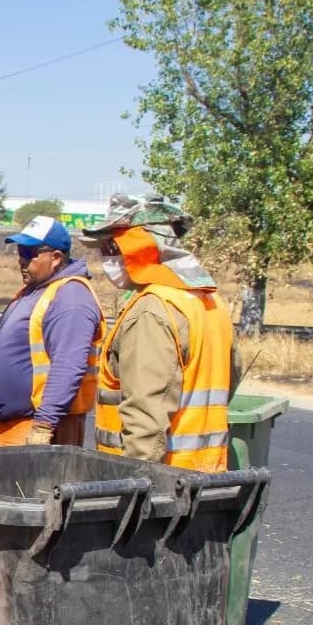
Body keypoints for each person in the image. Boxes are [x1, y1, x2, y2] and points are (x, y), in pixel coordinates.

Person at [79, 194, 240, 471]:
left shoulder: (152, 311)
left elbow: (145, 419)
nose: (106, 258)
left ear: (140, 245)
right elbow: (230, 378)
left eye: (112, 247)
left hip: (164, 485)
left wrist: (132, 489)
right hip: (208, 475)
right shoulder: (210, 302)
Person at [0, 215, 104, 445]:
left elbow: (68, 365)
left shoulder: (70, 298)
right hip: (14, 427)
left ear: (55, 258)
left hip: (41, 430)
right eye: (19, 252)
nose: (21, 261)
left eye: (28, 252)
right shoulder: (37, 290)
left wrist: (44, 425)